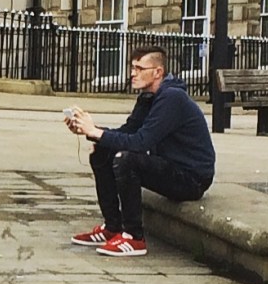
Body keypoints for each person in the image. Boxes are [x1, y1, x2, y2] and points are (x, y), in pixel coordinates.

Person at [63, 47, 215, 257]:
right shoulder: (148, 96)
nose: (132, 73)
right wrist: (89, 131)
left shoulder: (172, 98)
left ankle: (134, 237)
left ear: (158, 72)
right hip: (169, 166)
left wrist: (96, 132)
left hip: (192, 178)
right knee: (102, 151)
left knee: (127, 160)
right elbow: (127, 132)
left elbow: (140, 143)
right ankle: (112, 227)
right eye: (132, 68)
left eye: (139, 68)